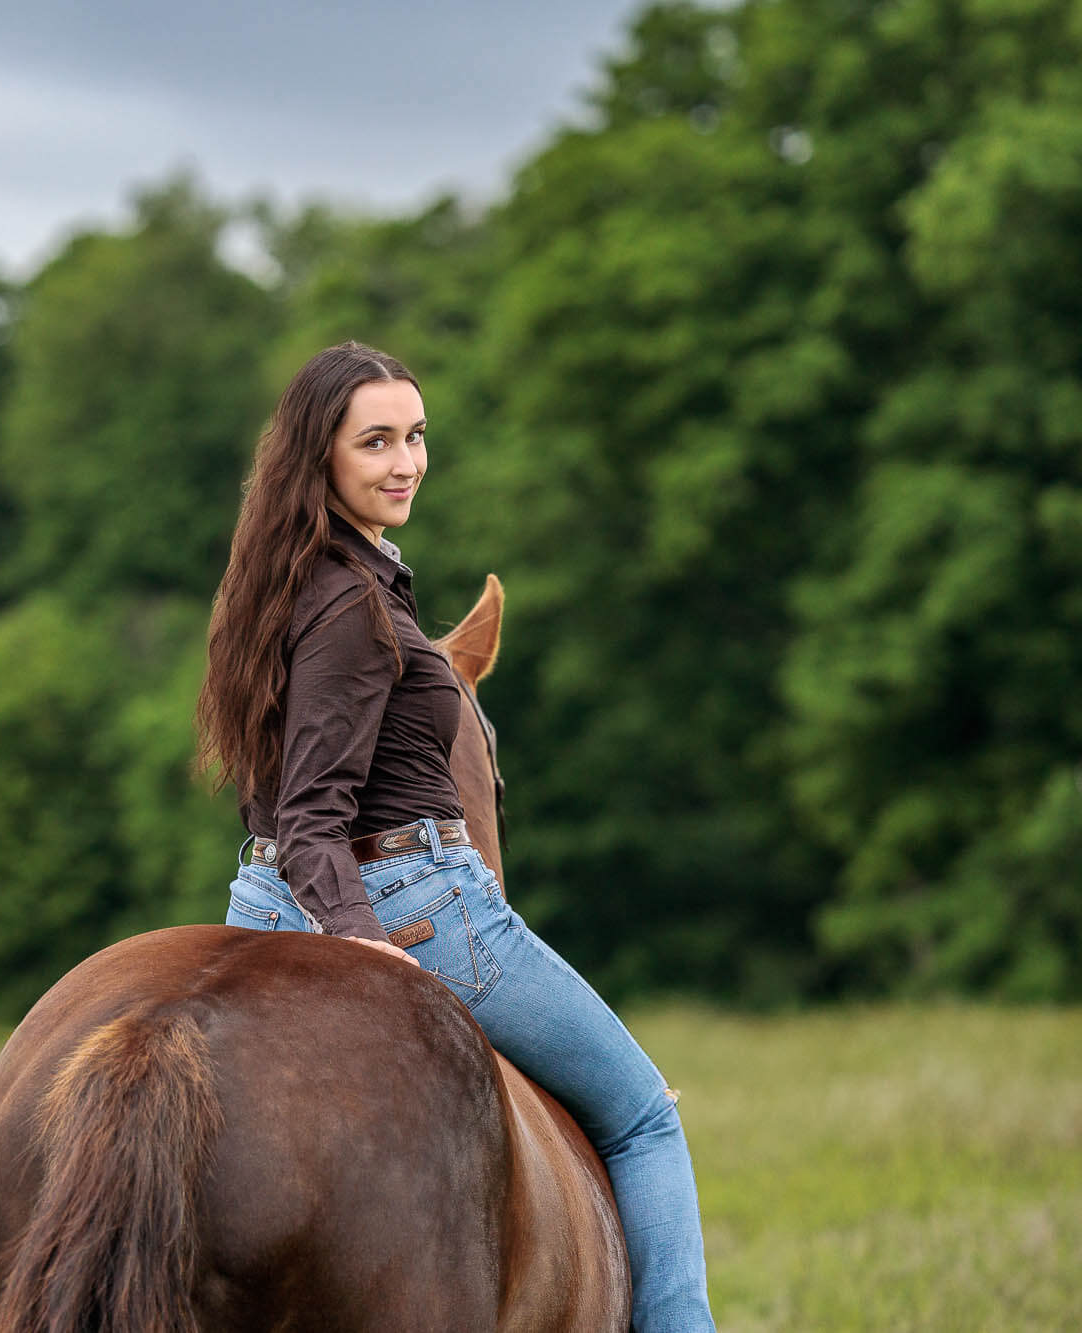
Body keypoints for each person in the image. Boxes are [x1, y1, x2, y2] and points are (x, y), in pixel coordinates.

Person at [194, 340, 716, 1331]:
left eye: (415, 436)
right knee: (645, 1116)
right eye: (375, 442)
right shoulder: (351, 600)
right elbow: (314, 809)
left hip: (258, 900)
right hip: (410, 902)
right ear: (320, 457)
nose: (404, 463)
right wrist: (357, 937)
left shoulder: (284, 581)